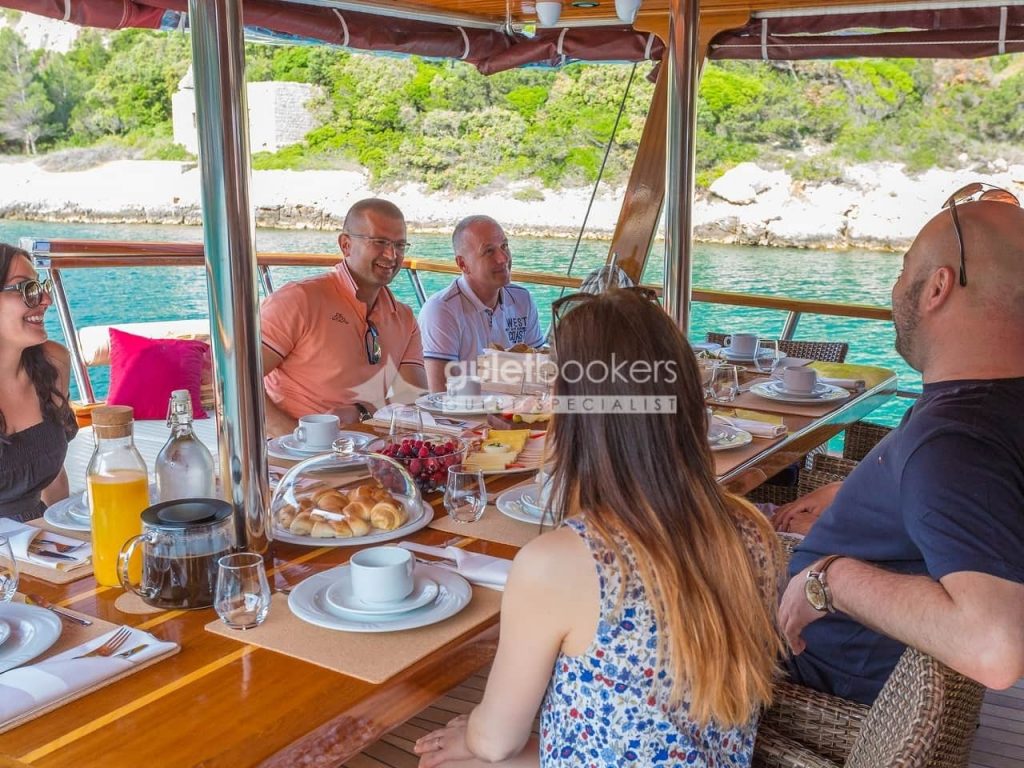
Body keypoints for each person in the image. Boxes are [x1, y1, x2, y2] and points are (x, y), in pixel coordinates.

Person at [413, 288, 782, 767]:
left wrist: (473, 734)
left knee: (445, 759)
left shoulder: (561, 561)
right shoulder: (752, 532)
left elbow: (495, 741)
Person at [775, 187, 1024, 705]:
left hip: (803, 672)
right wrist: (852, 492)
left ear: (937, 288)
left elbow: (995, 648)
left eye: (903, 269)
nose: (895, 289)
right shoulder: (989, 406)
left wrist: (831, 581)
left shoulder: (954, 441)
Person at [260, 198, 427, 436]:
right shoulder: (299, 300)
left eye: (400, 245)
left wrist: (362, 411)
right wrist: (298, 438)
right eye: (379, 242)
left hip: (367, 447)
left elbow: (412, 393)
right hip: (288, 451)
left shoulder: (404, 317)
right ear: (346, 245)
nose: (392, 255)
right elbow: (236, 381)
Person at [418, 216, 545, 392]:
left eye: (504, 246)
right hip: (464, 409)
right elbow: (440, 394)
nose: (503, 258)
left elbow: (540, 376)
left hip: (517, 406)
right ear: (463, 264)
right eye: (489, 251)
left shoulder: (522, 299)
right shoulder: (441, 310)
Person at [0, 243, 76, 521]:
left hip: (40, 538)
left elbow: (54, 476)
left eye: (41, 286)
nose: (46, 299)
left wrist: (69, 534)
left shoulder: (53, 363)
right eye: (26, 288)